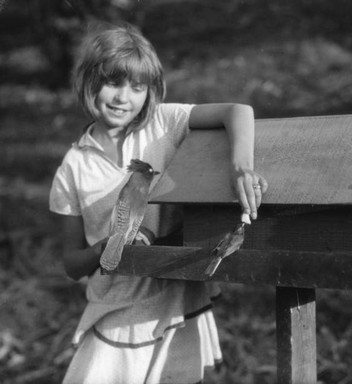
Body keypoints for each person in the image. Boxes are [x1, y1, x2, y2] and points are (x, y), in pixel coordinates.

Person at [49, 21, 268, 384]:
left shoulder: (163, 123)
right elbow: (72, 264)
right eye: (113, 83)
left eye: (137, 87)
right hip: (116, 307)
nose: (124, 98)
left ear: (151, 91)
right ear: (88, 82)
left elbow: (238, 111)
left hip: (174, 296)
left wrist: (242, 167)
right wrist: (107, 249)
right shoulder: (73, 167)